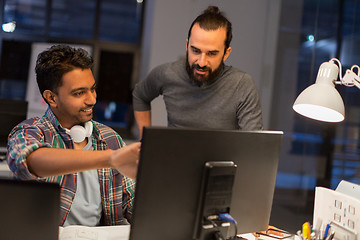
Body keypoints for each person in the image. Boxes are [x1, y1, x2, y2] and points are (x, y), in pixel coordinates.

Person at [6, 45, 140, 227]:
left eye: (92, 89)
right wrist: (111, 158)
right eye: (79, 93)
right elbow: (27, 161)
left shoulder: (110, 138)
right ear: (51, 98)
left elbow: (133, 206)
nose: (92, 99)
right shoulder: (30, 131)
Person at [132, 5, 263, 138]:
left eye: (211, 54)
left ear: (226, 53)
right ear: (187, 45)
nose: (201, 62)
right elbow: (140, 95)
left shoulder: (242, 84)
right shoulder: (167, 74)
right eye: (195, 51)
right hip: (175, 157)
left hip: (219, 159)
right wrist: (146, 140)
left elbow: (254, 142)